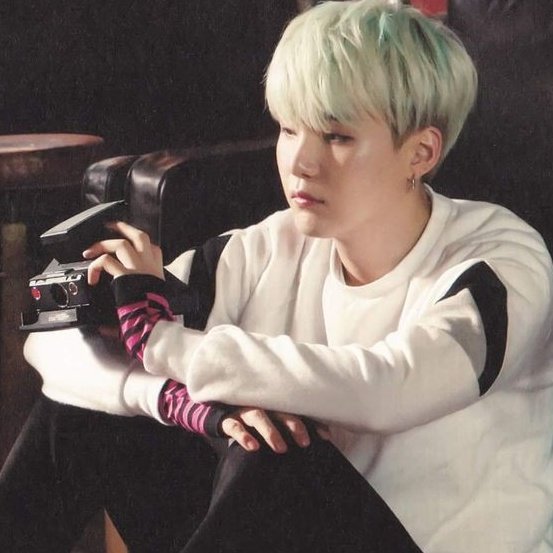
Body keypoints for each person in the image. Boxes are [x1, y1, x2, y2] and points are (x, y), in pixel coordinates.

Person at [2, 1, 553, 552]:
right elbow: (51, 344)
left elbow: (390, 387)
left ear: (421, 152)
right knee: (83, 411)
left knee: (273, 446)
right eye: (290, 129)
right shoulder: (269, 246)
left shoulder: (499, 261)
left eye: (336, 136)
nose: (299, 163)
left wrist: (163, 343)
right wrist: (178, 401)